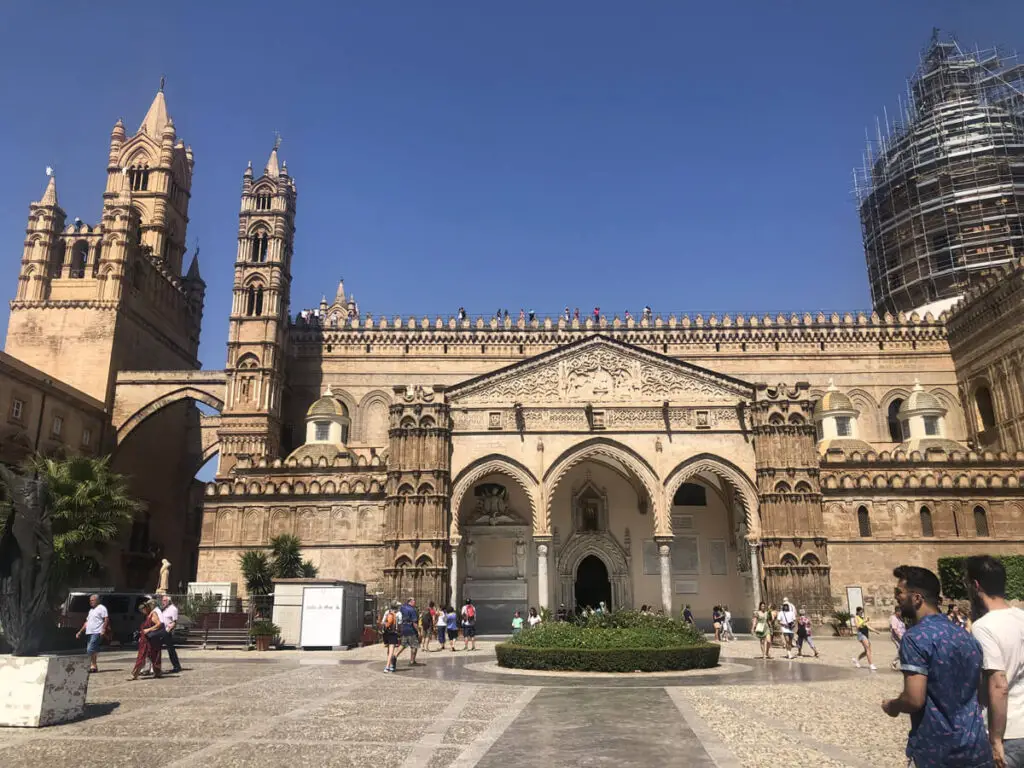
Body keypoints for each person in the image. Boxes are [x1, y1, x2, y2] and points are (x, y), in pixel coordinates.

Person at [883, 565, 991, 768]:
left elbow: (914, 699)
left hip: (938, 751)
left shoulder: (916, 638)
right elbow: (980, 690)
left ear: (916, 598)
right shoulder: (965, 635)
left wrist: (893, 705)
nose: (896, 597)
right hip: (976, 745)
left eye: (899, 593)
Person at [966, 555, 1024, 768]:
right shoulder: (1021, 616)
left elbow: (999, 685)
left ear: (975, 585)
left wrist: (995, 739)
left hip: (1010, 731)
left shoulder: (984, 627)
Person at [128, 600, 163, 680]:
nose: (142, 612)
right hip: (145, 639)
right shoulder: (147, 615)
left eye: (142, 610)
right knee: (146, 656)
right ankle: (156, 672)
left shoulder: (153, 614)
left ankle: (135, 674)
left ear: (147, 608)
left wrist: (148, 630)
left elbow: (159, 624)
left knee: (150, 655)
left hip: (151, 639)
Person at [76, 594, 109, 674]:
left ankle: (92, 665)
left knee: (90, 649)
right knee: (93, 649)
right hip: (89, 632)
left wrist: (103, 629)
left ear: (97, 600)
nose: (91, 602)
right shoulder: (91, 611)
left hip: (97, 631)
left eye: (92, 600)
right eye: (90, 600)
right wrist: (80, 631)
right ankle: (94, 666)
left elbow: (106, 619)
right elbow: (86, 622)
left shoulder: (101, 608)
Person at [160, 595, 182, 673]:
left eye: (165, 600)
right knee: (157, 648)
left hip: (167, 631)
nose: (163, 602)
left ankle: (176, 666)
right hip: (161, 631)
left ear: (169, 601)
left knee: (170, 650)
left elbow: (174, 622)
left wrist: (168, 631)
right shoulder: (164, 609)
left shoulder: (173, 609)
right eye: (162, 600)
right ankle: (156, 667)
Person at [398, 597, 421, 667]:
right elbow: (414, 623)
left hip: (404, 628)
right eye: (414, 601)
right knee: (414, 645)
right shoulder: (412, 610)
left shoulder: (402, 608)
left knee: (403, 645)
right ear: (410, 601)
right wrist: (419, 631)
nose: (415, 602)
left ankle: (394, 656)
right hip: (411, 630)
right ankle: (412, 661)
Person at [380, 602, 401, 672]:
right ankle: (388, 666)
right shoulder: (398, 614)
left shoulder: (387, 612)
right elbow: (399, 624)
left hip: (386, 633)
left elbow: (382, 622)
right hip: (393, 633)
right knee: (391, 650)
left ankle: (390, 664)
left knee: (389, 651)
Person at [889, 606, 906, 671]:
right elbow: (894, 629)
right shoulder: (894, 618)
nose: (901, 613)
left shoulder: (900, 618)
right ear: (897, 612)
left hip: (902, 636)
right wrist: (900, 637)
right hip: (896, 637)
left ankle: (896, 663)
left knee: (902, 650)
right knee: (901, 650)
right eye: (900, 611)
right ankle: (894, 662)